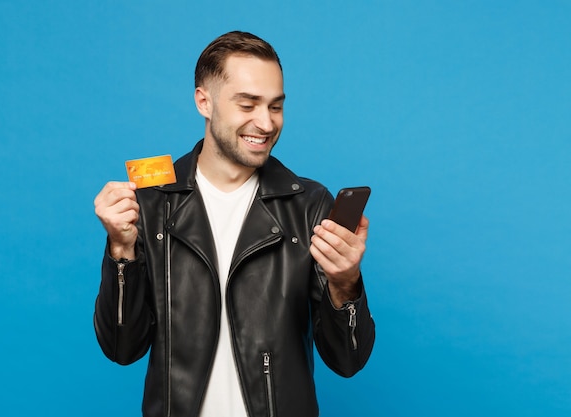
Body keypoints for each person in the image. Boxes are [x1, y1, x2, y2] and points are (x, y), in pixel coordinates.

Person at [93, 30, 375, 417]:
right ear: (203, 102)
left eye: (276, 107)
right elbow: (121, 349)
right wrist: (121, 251)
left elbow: (348, 361)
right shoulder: (150, 203)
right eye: (248, 104)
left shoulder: (309, 205)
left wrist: (345, 283)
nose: (265, 123)